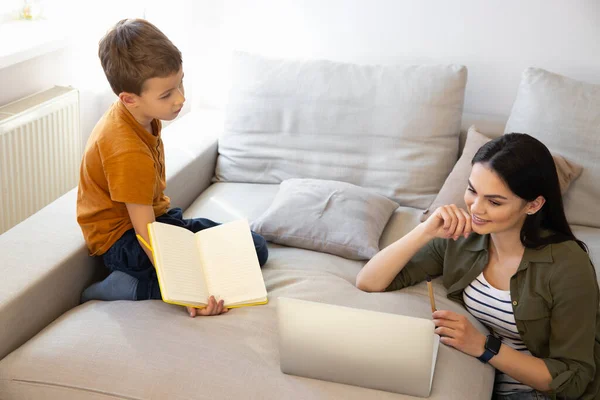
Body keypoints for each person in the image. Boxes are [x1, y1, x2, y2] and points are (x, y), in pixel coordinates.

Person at [356, 133, 599, 399]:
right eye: (472, 190)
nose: (476, 209)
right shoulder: (462, 240)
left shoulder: (568, 266)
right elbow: (369, 281)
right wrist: (425, 231)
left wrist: (483, 346)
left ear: (533, 204)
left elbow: (573, 378)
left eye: (494, 201)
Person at [76, 19, 268, 318]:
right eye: (166, 94)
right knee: (213, 272)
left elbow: (155, 218)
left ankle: (162, 273)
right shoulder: (126, 148)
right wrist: (187, 293)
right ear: (129, 99)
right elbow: (146, 233)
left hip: (157, 219)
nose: (180, 98)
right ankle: (129, 287)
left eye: (180, 82)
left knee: (254, 247)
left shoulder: (143, 115)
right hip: (123, 242)